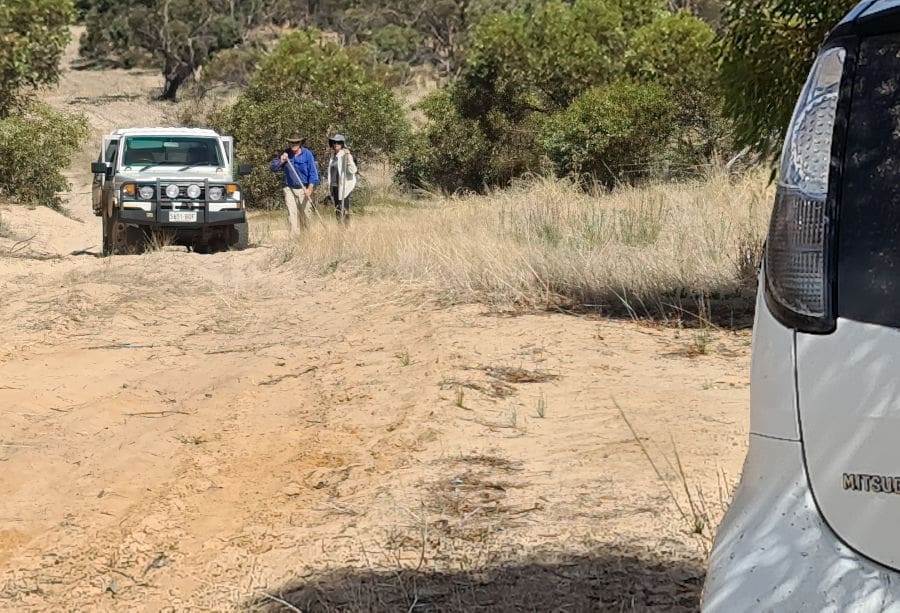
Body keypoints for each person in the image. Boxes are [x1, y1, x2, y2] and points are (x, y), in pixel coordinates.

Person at [269, 134, 320, 236]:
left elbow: (313, 173)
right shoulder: (286, 153)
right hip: (289, 188)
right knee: (291, 215)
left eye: (296, 142)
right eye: (292, 142)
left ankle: (306, 238)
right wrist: (282, 160)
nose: (294, 144)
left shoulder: (307, 154)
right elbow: (273, 167)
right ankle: (293, 238)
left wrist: (310, 188)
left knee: (305, 214)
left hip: (304, 188)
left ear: (300, 143)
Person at [325, 134, 357, 225]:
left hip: (344, 187)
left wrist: (349, 158)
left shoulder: (346, 155)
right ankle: (340, 228)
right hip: (335, 186)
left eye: (338, 142)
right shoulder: (333, 156)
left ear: (342, 144)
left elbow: (353, 170)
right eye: (334, 142)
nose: (336, 144)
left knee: (344, 208)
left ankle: (346, 228)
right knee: (337, 208)